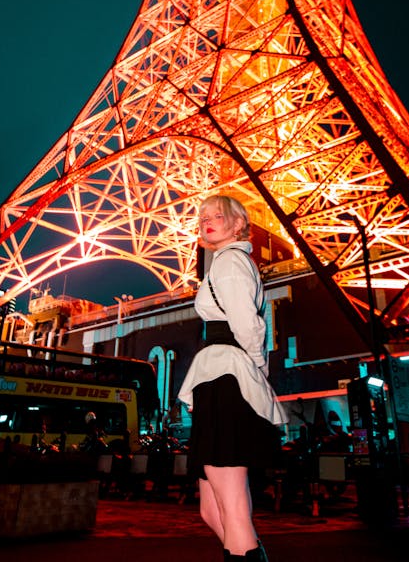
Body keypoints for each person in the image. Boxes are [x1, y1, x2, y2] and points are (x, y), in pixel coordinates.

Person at [178, 194, 288, 561]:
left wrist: (254, 369)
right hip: (219, 375)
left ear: (238, 223)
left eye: (218, 216)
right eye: (203, 217)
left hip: (228, 377)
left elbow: (247, 324)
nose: (207, 221)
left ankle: (245, 554)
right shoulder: (224, 262)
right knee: (211, 511)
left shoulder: (229, 262)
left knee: (233, 508)